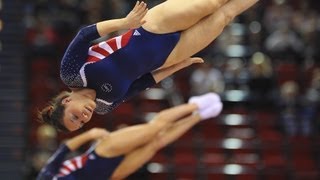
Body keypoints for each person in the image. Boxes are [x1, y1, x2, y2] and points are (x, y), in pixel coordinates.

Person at [38, 0, 259, 132]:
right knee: (224, 16)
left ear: (66, 101)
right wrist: (179, 65)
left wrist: (125, 23)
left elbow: (84, 35)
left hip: (149, 28)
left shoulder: (71, 74)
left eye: (74, 117)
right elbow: (145, 81)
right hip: (170, 55)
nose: (84, 118)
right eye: (81, 123)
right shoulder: (105, 106)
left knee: (212, 3)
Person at [37, 93, 223, 180]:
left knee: (154, 129)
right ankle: (199, 116)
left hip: (101, 153)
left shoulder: (45, 177)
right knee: (156, 143)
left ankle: (195, 105)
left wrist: (91, 134)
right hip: (110, 175)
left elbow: (64, 148)